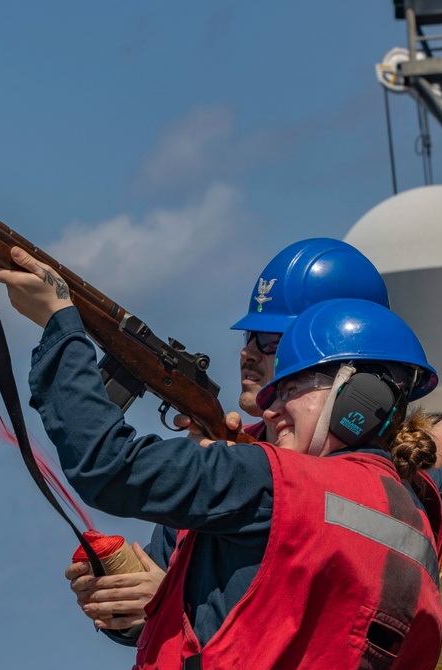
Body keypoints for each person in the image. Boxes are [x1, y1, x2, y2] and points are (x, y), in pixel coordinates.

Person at [0, 246, 442, 670]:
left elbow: (107, 466)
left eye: (278, 349)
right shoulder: (405, 503)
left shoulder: (270, 478)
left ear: (359, 394)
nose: (249, 357)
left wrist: (61, 326)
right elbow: (250, 633)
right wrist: (145, 602)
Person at [71, 238, 393, 638]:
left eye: (273, 341)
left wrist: (173, 599)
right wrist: (119, 597)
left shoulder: (371, 487)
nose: (248, 353)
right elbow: (154, 608)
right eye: (249, 337)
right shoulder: (233, 452)